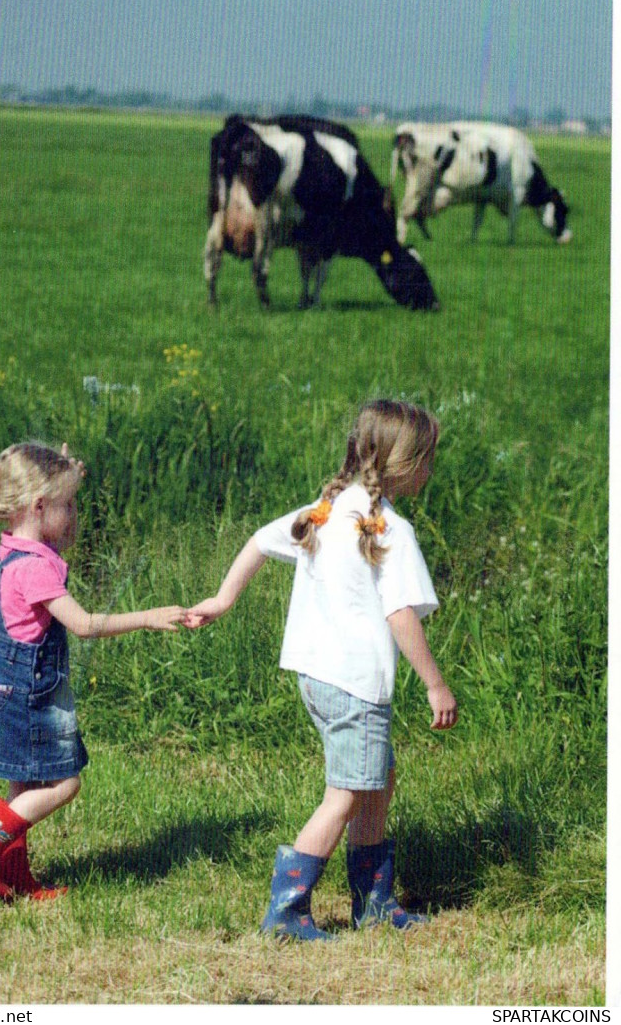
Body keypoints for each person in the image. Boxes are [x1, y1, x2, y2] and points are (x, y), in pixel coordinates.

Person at [185, 399, 458, 940]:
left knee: (378, 777)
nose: (430, 470)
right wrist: (435, 683)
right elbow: (401, 616)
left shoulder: (327, 510)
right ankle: (287, 912)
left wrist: (223, 597)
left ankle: (373, 902)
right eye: (427, 458)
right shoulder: (387, 530)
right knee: (346, 794)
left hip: (319, 677)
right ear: (401, 462)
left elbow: (259, 542)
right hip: (354, 683)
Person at [0, 441, 187, 902]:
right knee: (64, 783)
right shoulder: (35, 569)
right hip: (28, 693)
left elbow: (31, 481)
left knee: (25, 784)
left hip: (7, 688)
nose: (75, 514)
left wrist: (59, 471)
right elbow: (85, 624)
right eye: (69, 505)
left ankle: (15, 876)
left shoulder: (13, 547)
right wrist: (150, 616)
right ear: (38, 506)